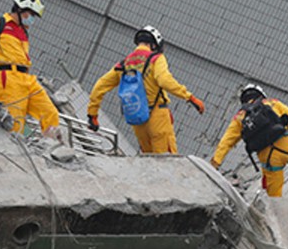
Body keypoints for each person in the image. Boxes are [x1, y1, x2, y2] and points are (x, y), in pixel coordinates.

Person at [86, 26, 205, 154]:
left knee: (148, 160)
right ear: (153, 45)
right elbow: (164, 80)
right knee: (167, 160)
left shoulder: (124, 64)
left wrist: (93, 114)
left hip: (138, 118)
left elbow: (100, 86)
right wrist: (189, 97)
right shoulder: (156, 58)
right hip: (157, 115)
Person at [211, 84, 288, 200]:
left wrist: (216, 162)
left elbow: (226, 142)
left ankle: (276, 212)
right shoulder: (272, 103)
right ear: (261, 95)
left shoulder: (239, 117)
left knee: (274, 194)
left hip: (268, 158)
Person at [0, 0, 61, 140]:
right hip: (7, 77)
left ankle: (53, 145)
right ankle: (11, 148)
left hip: (26, 78)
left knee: (50, 113)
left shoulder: (23, 32)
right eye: (31, 14)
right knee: (16, 121)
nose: (32, 19)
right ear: (20, 10)